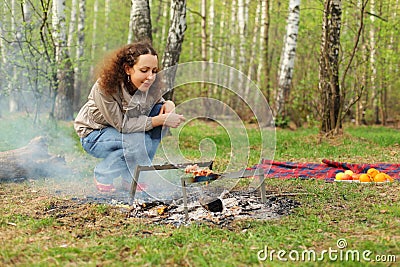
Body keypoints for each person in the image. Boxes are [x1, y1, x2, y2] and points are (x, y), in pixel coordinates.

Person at [74, 41, 185, 193]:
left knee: (157, 114)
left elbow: (158, 103)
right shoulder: (105, 88)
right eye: (144, 70)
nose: (151, 77)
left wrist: (169, 105)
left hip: (121, 132)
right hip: (94, 134)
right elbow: (123, 125)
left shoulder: (146, 84)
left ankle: (132, 177)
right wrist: (159, 120)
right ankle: (103, 174)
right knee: (140, 140)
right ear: (128, 68)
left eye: (154, 71)